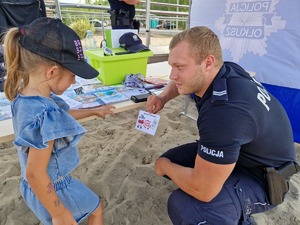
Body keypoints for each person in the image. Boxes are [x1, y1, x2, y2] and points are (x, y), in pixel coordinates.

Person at [146, 26, 299, 225]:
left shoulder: (225, 112)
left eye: (180, 67)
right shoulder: (227, 69)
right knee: (173, 161)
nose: (172, 75)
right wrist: (163, 97)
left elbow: (204, 190)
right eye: (171, 66)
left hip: (266, 180)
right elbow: (181, 81)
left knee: (187, 207)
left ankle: (239, 216)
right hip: (246, 154)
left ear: (208, 62)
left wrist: (163, 166)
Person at [3, 17, 115, 225]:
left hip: (31, 188)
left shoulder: (24, 98)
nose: (74, 81)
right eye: (72, 75)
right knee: (96, 208)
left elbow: (59, 120)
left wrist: (95, 110)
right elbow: (36, 173)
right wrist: (59, 212)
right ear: (52, 72)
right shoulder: (45, 112)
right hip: (53, 187)